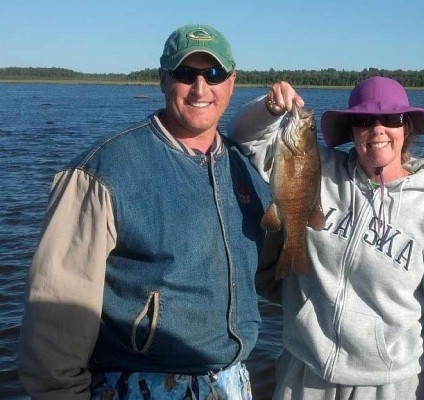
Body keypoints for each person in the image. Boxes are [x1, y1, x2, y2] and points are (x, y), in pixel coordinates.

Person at [18, 24, 271, 400]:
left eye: (213, 74)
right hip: (136, 385)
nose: (201, 88)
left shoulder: (244, 168)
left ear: (232, 82)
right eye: (186, 74)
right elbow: (56, 312)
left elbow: (271, 275)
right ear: (163, 80)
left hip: (231, 384)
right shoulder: (101, 171)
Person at [228, 76, 424, 400]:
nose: (377, 129)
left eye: (390, 119)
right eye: (363, 120)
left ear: (407, 128)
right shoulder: (315, 168)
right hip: (303, 372)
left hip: (389, 386)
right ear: (351, 130)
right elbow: (243, 138)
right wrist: (270, 109)